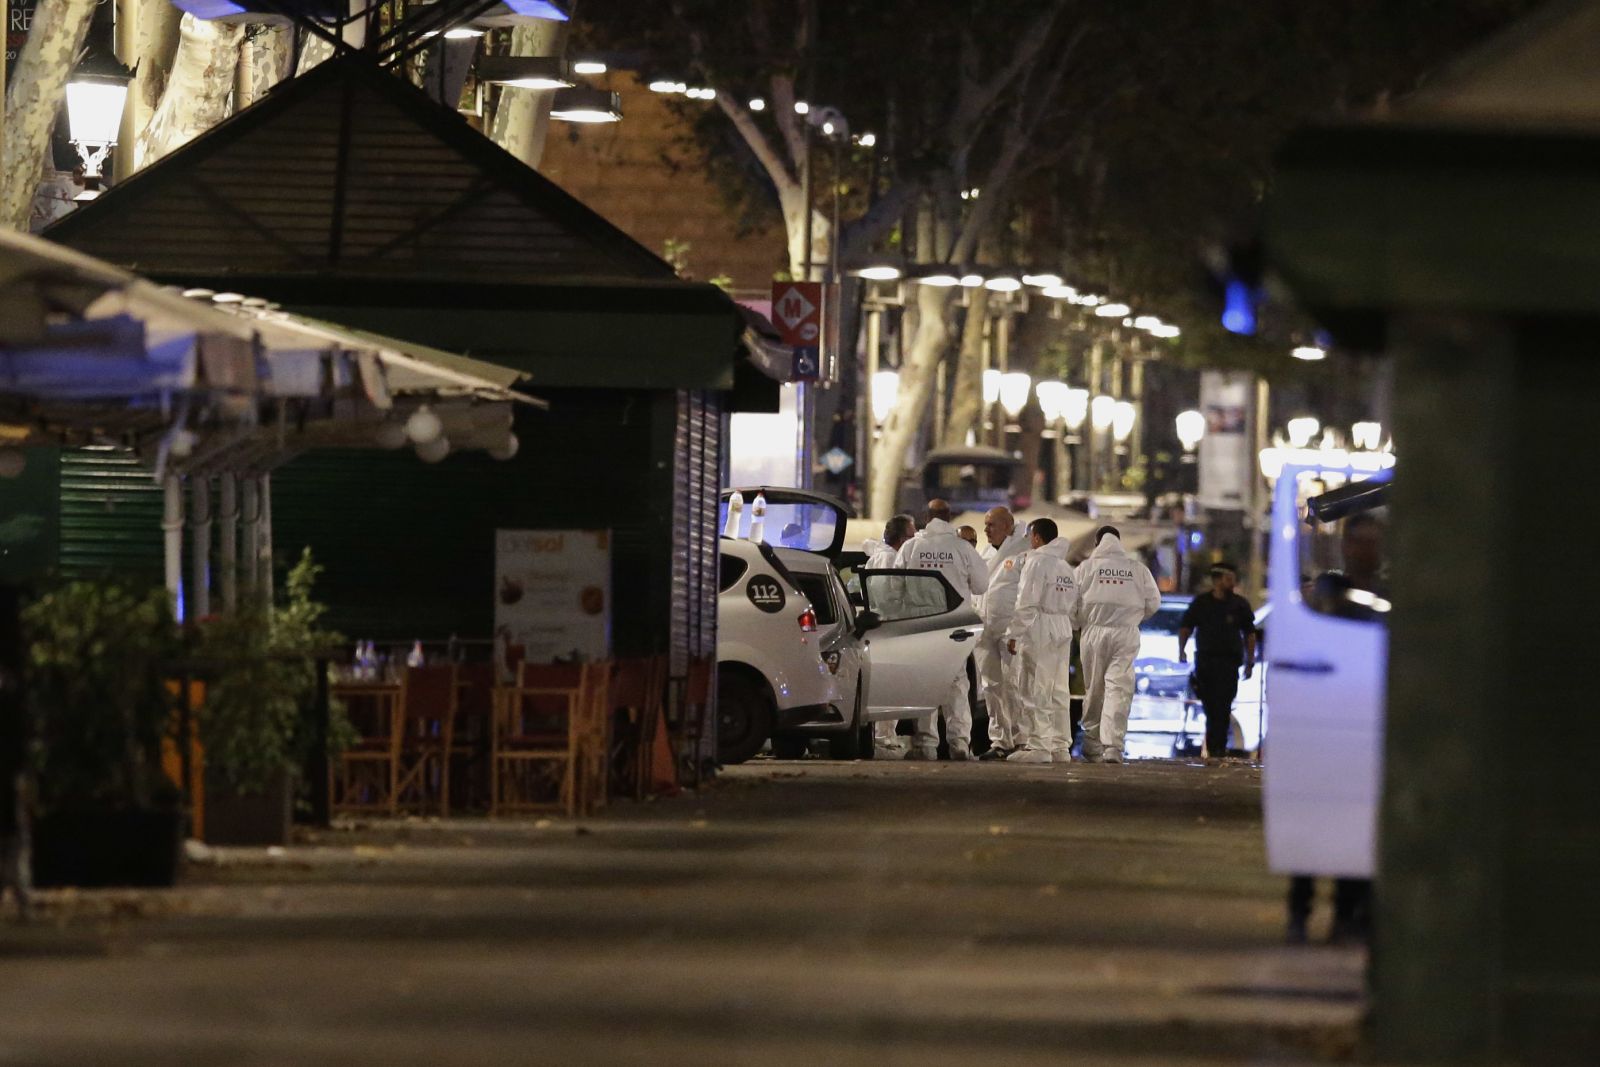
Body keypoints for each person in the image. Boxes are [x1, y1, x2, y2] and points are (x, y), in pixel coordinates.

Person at [1287, 514, 1386, 944]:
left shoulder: (1387, 597)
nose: (1367, 550)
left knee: (1358, 823)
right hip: (1328, 721)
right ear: (1346, 547)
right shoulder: (1328, 596)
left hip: (1367, 721)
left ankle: (1350, 912)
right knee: (1315, 819)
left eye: (1373, 542)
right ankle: (1301, 907)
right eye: (1360, 542)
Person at [897, 498, 989, 760]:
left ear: (927, 516)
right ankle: (959, 744)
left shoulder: (911, 547)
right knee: (957, 684)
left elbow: (894, 586)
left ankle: (926, 745)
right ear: (949, 517)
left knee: (924, 683)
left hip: (921, 625)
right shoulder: (962, 548)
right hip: (955, 625)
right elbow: (981, 586)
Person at [1074, 525, 1161, 764]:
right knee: (1118, 688)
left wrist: (1080, 622)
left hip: (1093, 633)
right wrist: (1132, 618)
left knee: (1094, 689)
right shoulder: (1137, 570)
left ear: (1097, 543)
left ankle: (1091, 743)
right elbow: (1153, 602)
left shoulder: (1086, 569)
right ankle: (1113, 746)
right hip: (1125, 634)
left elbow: (1071, 602)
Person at [1003, 518, 1078, 763]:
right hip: (1062, 626)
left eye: (1029, 536)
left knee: (1035, 684)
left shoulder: (1036, 562)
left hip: (1040, 625)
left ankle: (1038, 745)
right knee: (1058, 688)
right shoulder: (1065, 566)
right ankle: (1059, 745)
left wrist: (1014, 632)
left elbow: (1026, 601)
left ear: (1036, 537)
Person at [1177, 562, 1257, 759]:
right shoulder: (1202, 603)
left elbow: (1250, 634)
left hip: (1229, 664)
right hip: (1206, 663)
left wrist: (1250, 661)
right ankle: (1214, 747)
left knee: (1224, 706)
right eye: (1228, 579)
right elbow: (1186, 627)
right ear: (1218, 581)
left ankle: (1217, 748)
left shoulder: (1239, 604)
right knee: (1210, 707)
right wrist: (1182, 651)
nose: (1232, 583)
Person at [975, 507, 1030, 760]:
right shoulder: (985, 553)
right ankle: (1000, 741)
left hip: (1009, 632)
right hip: (986, 630)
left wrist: (1016, 630)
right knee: (991, 687)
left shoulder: (1023, 550)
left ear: (1008, 526)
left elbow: (1025, 594)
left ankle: (1022, 739)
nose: (986, 530)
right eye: (985, 525)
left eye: (991, 525)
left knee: (1013, 685)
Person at [863, 514, 917, 757]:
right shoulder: (889, 559)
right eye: (911, 536)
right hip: (889, 628)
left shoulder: (878, 557)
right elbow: (888, 598)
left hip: (881, 629)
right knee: (890, 685)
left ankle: (884, 736)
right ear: (901, 537)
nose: (913, 540)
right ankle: (884, 738)